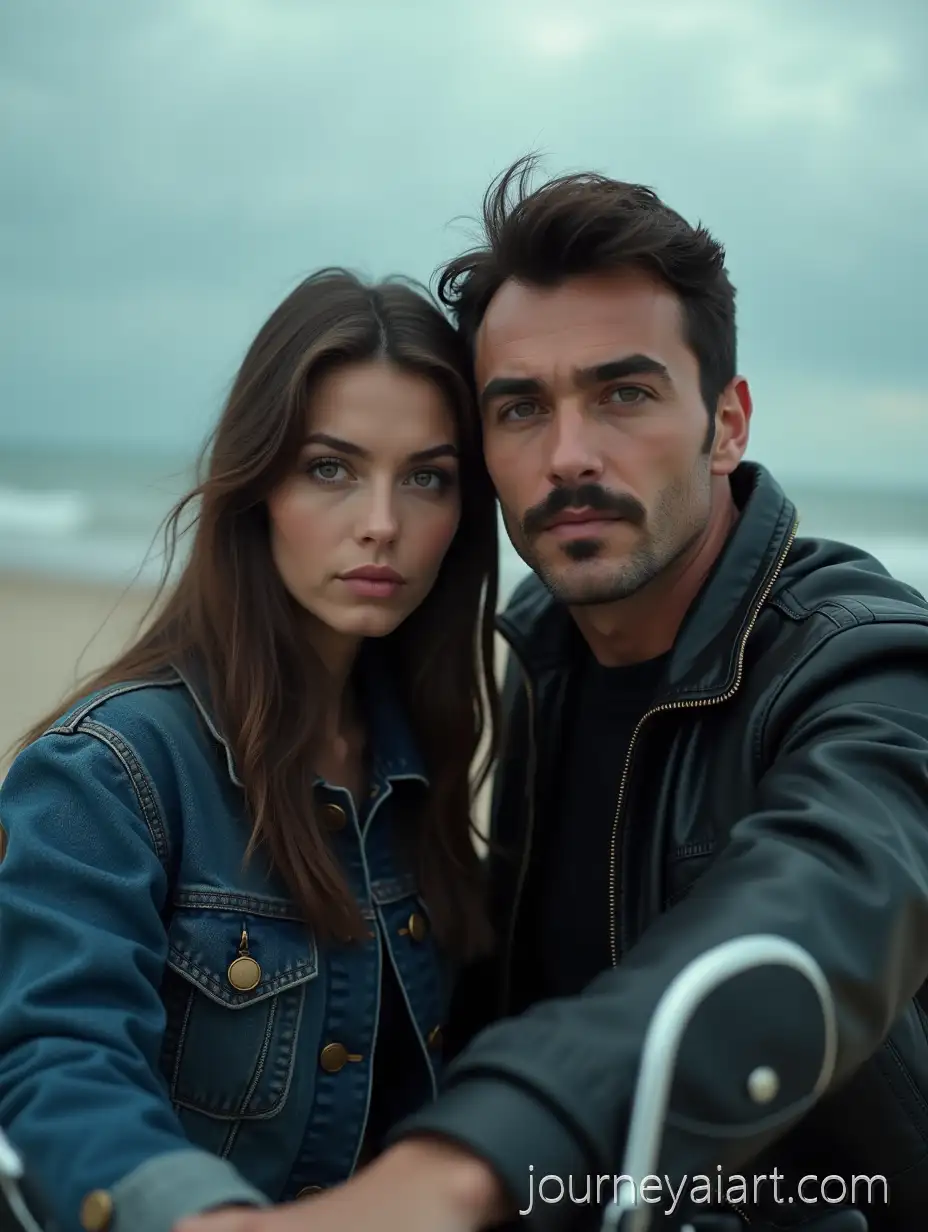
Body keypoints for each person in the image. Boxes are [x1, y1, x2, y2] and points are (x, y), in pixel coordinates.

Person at [176, 161, 928, 1232]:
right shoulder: (546, 662)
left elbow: (819, 907)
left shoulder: (863, 657)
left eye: (623, 393)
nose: (568, 455)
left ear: (727, 422)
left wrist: (461, 1164)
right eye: (521, 407)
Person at [0, 268, 503, 1232]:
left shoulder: (420, 766)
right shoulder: (110, 772)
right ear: (258, 482)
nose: (383, 523)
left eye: (428, 477)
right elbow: (58, 1064)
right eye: (331, 467)